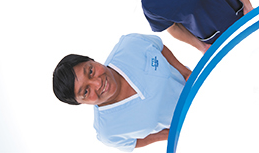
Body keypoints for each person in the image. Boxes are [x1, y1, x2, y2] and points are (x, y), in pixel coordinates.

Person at [51, 34, 193, 151]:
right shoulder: (107, 131)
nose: (97, 83)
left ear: (91, 60)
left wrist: (186, 73)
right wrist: (169, 134)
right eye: (86, 91)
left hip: (197, 87)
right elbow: (132, 143)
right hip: (191, 123)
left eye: (90, 71)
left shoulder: (130, 45)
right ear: (80, 103)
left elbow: (159, 47)